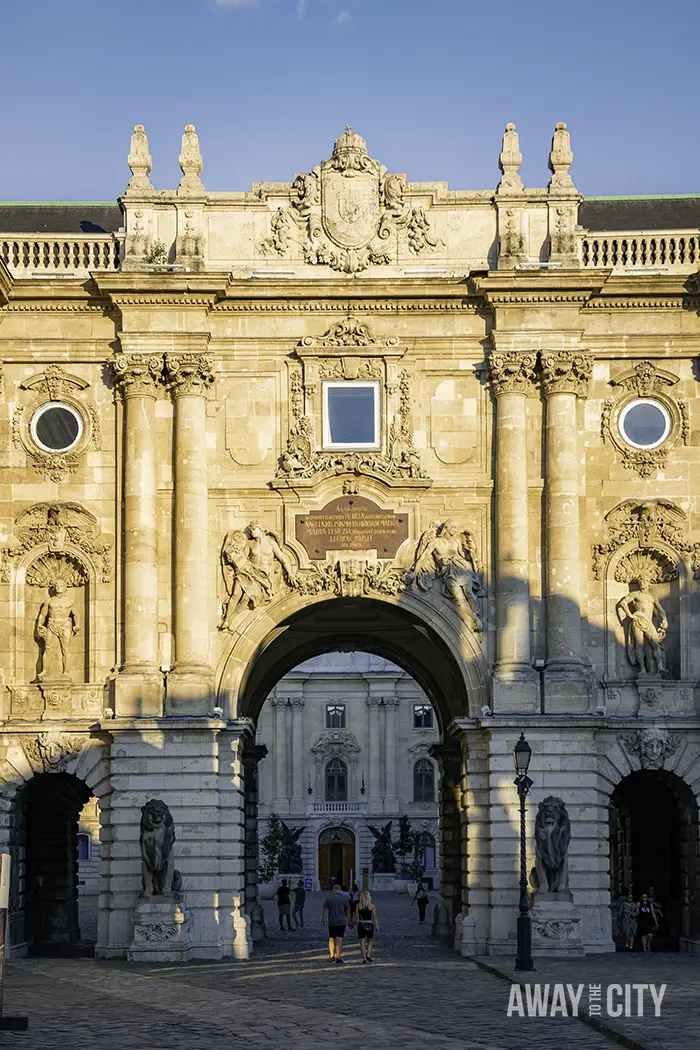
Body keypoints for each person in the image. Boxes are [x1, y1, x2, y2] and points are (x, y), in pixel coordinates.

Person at [321, 882, 351, 963]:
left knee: (331, 938)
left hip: (332, 921)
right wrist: (350, 921)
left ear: (333, 890)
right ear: (340, 890)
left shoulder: (329, 898)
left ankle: (331, 956)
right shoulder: (344, 898)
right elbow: (348, 911)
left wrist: (323, 920)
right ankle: (338, 957)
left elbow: (325, 911)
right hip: (341, 921)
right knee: (339, 939)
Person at [356, 890, 379, 963]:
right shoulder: (372, 906)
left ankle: (364, 958)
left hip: (361, 924)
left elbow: (356, 917)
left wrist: (353, 923)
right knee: (370, 941)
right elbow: (374, 917)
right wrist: (377, 926)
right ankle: (368, 954)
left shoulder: (358, 905)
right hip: (369, 924)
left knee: (362, 942)